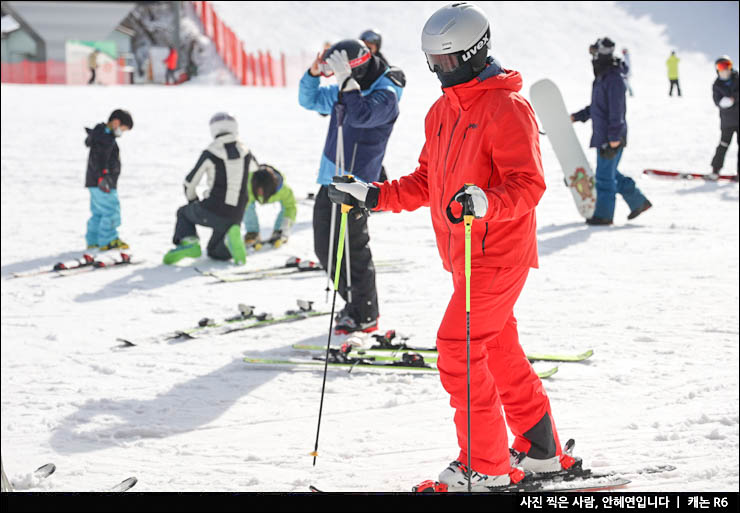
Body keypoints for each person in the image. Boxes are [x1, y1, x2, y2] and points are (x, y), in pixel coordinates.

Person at [328, 2, 576, 491]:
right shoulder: (442, 111)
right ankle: (540, 449)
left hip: (498, 254)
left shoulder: (508, 108)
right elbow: (428, 181)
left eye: (449, 62)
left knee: (457, 348)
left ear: (477, 51)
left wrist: (487, 202)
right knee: (497, 346)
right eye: (434, 64)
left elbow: (528, 185)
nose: (442, 72)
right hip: (464, 257)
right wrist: (374, 195)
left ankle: (484, 466)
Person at [298, 38, 403, 334]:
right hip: (330, 179)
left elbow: (362, 114)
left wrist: (345, 81)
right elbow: (308, 100)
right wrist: (315, 72)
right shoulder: (346, 90)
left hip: (356, 185)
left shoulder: (387, 92)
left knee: (353, 250)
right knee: (325, 248)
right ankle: (354, 304)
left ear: (354, 71)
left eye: (341, 72)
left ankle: (365, 314)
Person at [571, 37, 652, 225]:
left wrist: (614, 137)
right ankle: (638, 202)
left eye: (594, 52)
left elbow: (617, 110)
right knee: (610, 173)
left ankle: (604, 215)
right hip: (605, 135)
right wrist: (578, 116)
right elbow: (598, 107)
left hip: (612, 135)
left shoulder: (614, 78)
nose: (592, 57)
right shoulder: (603, 77)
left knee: (604, 177)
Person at [163, 113, 257, 265]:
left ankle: (190, 243)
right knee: (214, 251)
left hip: (214, 208)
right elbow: (256, 171)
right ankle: (230, 239)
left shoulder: (211, 152)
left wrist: (193, 201)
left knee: (183, 213)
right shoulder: (246, 151)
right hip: (236, 214)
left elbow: (189, 182)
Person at [359, 28, 407, 182]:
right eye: (365, 44)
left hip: (376, 113)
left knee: (370, 151)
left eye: (371, 45)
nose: (368, 47)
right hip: (360, 111)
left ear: (377, 46)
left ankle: (379, 187)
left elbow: (391, 91)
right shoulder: (360, 62)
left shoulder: (381, 65)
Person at [84, 109, 133, 250]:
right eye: (123, 129)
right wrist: (103, 177)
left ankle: (93, 239)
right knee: (111, 210)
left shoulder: (100, 135)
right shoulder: (105, 138)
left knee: (98, 212)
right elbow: (100, 160)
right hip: (103, 182)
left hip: (93, 182)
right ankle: (108, 240)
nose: (121, 133)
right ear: (116, 123)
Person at [243, 164, 297, 249]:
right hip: (250, 194)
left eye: (262, 190)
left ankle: (279, 231)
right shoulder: (247, 185)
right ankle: (252, 232)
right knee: (245, 205)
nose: (260, 193)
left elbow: (290, 207)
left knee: (286, 209)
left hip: (274, 193)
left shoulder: (283, 190)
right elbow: (241, 208)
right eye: (258, 190)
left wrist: (286, 224)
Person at [709, 56, 739, 180]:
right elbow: (719, 102)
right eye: (721, 67)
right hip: (727, 122)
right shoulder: (717, 85)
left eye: (727, 65)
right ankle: (715, 170)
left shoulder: (737, 79)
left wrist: (733, 99)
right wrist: (729, 101)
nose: (725, 69)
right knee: (723, 144)